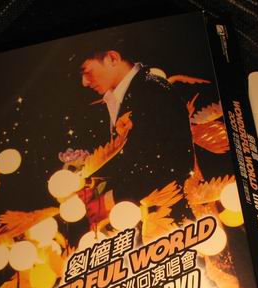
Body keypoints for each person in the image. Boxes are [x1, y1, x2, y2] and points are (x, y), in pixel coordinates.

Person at [78, 45, 195, 223]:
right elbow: (130, 159)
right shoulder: (112, 99)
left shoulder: (153, 89)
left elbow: (167, 160)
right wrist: (95, 187)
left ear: (112, 58)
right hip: (140, 217)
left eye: (87, 72)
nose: (84, 83)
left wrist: (109, 200)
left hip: (172, 216)